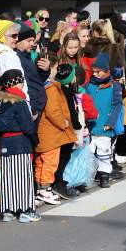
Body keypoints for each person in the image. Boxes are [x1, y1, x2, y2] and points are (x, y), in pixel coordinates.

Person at [0, 69, 40, 222]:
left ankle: (8, 210)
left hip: (5, 143)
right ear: (18, 83)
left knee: (8, 177)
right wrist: (35, 140)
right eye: (21, 82)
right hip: (21, 142)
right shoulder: (19, 101)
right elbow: (27, 126)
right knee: (22, 178)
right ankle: (26, 210)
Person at [39, 64, 82, 200]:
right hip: (55, 131)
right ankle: (48, 186)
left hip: (55, 130)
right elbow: (56, 111)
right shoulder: (55, 89)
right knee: (53, 160)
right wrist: (65, 123)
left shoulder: (57, 88)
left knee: (49, 160)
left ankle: (44, 186)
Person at [83, 53, 123, 188]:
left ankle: (104, 175)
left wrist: (110, 123)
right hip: (90, 125)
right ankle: (90, 174)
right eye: (93, 71)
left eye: (98, 71)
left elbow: (117, 106)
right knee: (89, 151)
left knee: (104, 151)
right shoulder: (89, 86)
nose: (95, 74)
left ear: (106, 71)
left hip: (104, 125)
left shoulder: (114, 86)